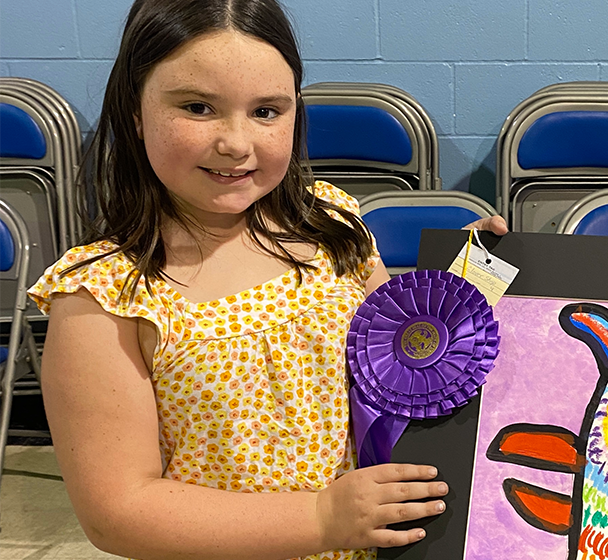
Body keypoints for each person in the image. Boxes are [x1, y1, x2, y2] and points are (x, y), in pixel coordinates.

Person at [27, 1, 507, 558]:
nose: (236, 142)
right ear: (135, 110)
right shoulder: (102, 299)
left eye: (266, 111)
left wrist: (473, 283)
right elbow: (120, 512)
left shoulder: (332, 224)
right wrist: (321, 517)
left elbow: (404, 356)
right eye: (199, 107)